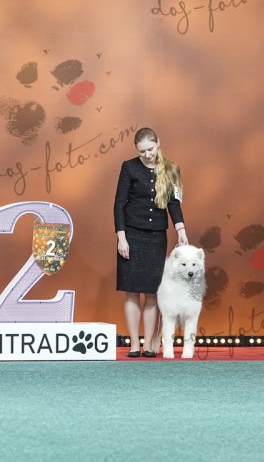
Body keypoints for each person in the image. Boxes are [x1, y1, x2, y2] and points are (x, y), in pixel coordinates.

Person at [113, 127, 189, 357]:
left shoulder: (171, 169)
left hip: (156, 237)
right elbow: (119, 204)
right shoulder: (129, 167)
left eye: (150, 149)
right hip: (131, 235)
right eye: (142, 151)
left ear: (158, 143)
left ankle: (148, 345)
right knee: (132, 291)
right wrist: (121, 238)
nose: (147, 154)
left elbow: (174, 204)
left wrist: (181, 230)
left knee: (152, 292)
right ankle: (134, 344)